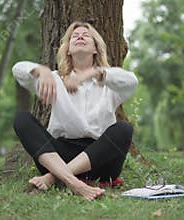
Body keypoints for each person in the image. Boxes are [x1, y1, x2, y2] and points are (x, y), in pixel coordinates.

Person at [12, 21, 138, 201]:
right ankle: (74, 182)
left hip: (100, 159)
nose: (79, 36)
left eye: (86, 35)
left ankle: (54, 178)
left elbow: (132, 81)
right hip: (58, 157)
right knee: (22, 118)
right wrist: (41, 70)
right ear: (68, 50)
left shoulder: (109, 83)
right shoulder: (54, 80)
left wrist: (93, 73)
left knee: (124, 129)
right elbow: (17, 70)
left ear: (95, 49)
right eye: (74, 36)